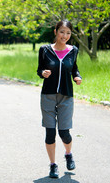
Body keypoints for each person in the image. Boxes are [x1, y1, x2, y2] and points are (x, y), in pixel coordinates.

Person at [37, 20, 82, 178]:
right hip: (48, 96)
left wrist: (77, 76)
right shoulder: (45, 50)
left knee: (64, 132)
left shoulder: (73, 50)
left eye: (68, 33)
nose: (65, 36)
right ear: (55, 31)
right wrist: (43, 73)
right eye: (62, 32)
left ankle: (68, 154)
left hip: (66, 96)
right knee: (50, 133)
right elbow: (39, 69)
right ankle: (53, 165)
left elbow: (74, 68)